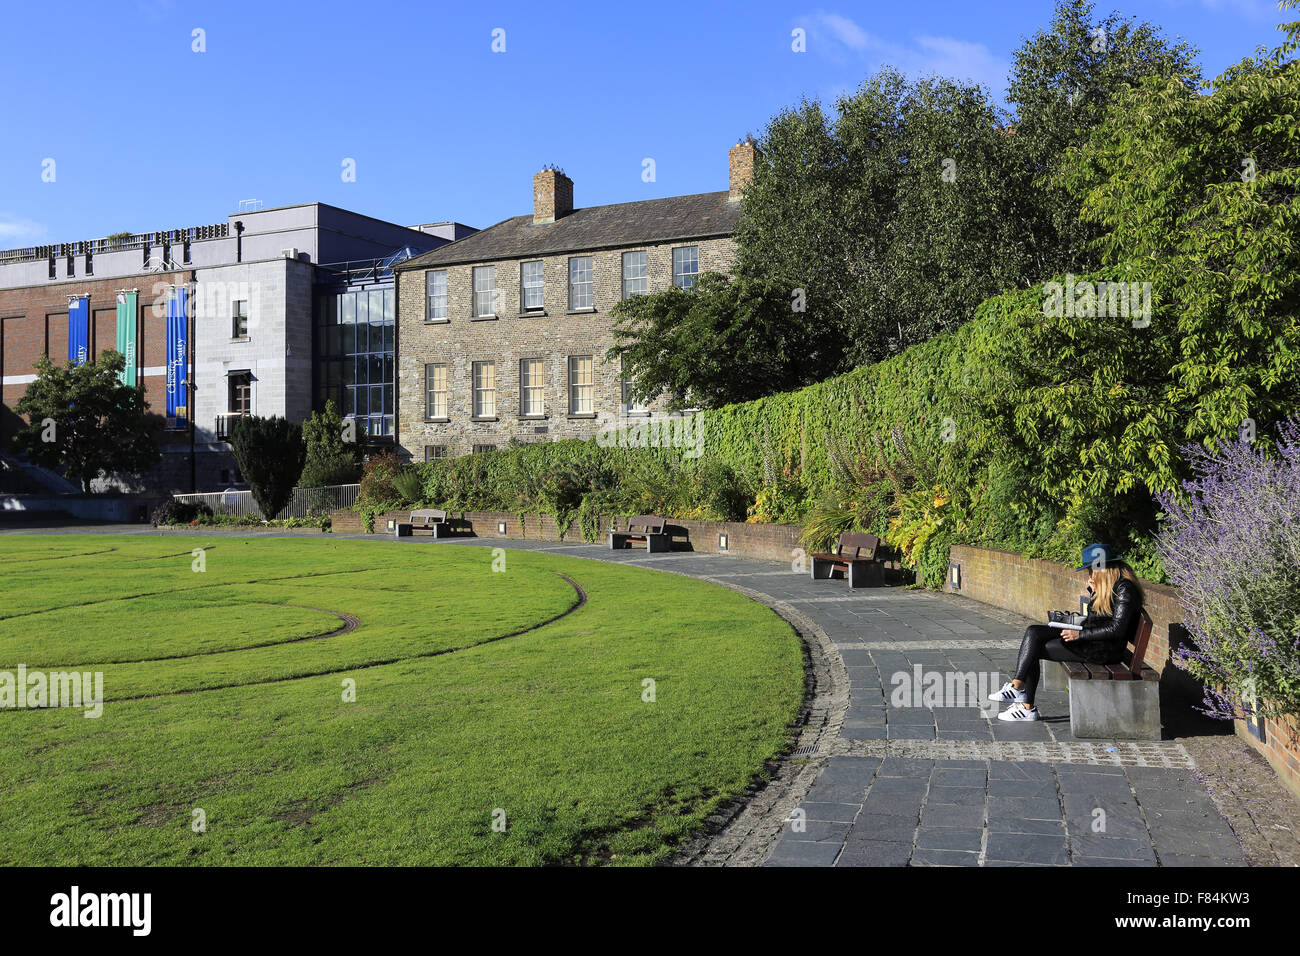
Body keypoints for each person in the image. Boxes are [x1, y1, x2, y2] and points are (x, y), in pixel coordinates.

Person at [988, 542, 1144, 722]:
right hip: (1096, 642)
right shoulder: (1112, 587)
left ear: (1102, 569)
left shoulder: (1125, 589)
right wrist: (1093, 594)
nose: (1090, 575)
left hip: (1104, 650)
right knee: (1034, 632)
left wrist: (1079, 634)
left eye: (1091, 570)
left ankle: (1025, 704)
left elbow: (1117, 629)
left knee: (1035, 648)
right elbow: (1097, 619)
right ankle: (1018, 689)